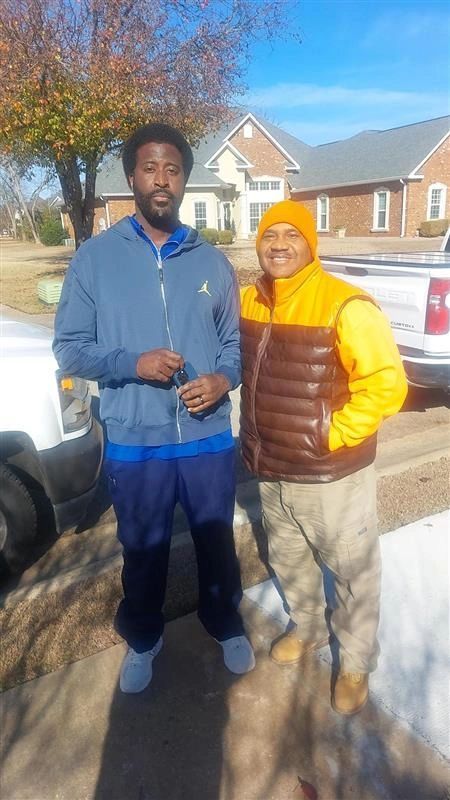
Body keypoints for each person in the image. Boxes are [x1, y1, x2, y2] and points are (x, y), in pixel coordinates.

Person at [54, 122, 255, 694]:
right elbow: (68, 348)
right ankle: (144, 636)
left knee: (216, 541)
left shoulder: (211, 262)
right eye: (150, 168)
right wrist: (130, 363)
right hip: (134, 438)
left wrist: (223, 380)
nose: (162, 180)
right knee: (141, 549)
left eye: (173, 169)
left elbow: (232, 348)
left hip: (207, 436)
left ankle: (225, 620)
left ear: (185, 180)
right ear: (132, 177)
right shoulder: (94, 260)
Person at [239, 200, 407, 715]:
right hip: (272, 469)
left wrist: (329, 433)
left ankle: (355, 663)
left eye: (292, 234)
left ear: (311, 243)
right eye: (270, 235)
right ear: (259, 243)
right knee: (288, 559)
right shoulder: (248, 299)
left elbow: (386, 386)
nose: (280, 245)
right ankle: (309, 628)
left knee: (353, 571)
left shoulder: (345, 305)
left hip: (330, 473)